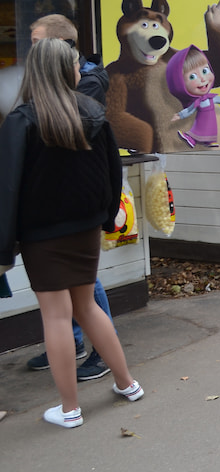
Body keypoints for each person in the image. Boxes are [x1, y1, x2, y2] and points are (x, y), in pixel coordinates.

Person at [0, 39, 144, 428]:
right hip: (84, 230)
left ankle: (69, 410)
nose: (82, 71)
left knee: (56, 316)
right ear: (65, 71)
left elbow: (8, 187)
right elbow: (112, 171)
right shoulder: (94, 112)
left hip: (41, 235)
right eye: (77, 65)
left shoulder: (21, 120)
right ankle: (127, 384)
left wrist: (3, 249)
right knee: (87, 306)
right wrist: (107, 215)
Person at [23, 14, 114, 382]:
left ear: (61, 46)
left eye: (38, 42)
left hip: (72, 210)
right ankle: (77, 342)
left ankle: (99, 352)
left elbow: (70, 146)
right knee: (78, 294)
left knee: (86, 290)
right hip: (71, 209)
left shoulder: (86, 90)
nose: (33, 50)